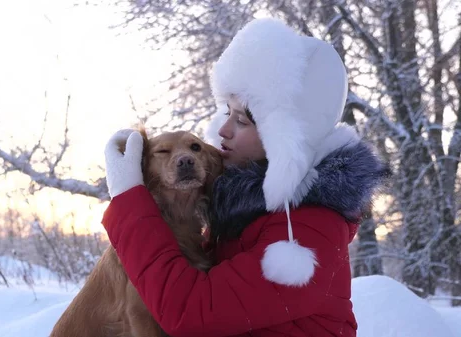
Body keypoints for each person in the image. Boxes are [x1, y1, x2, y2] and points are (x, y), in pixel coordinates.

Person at [101, 17, 389, 337]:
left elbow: (191, 312)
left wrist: (128, 198)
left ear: (283, 136)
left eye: (241, 120)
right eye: (227, 113)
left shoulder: (307, 230)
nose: (223, 130)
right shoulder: (241, 213)